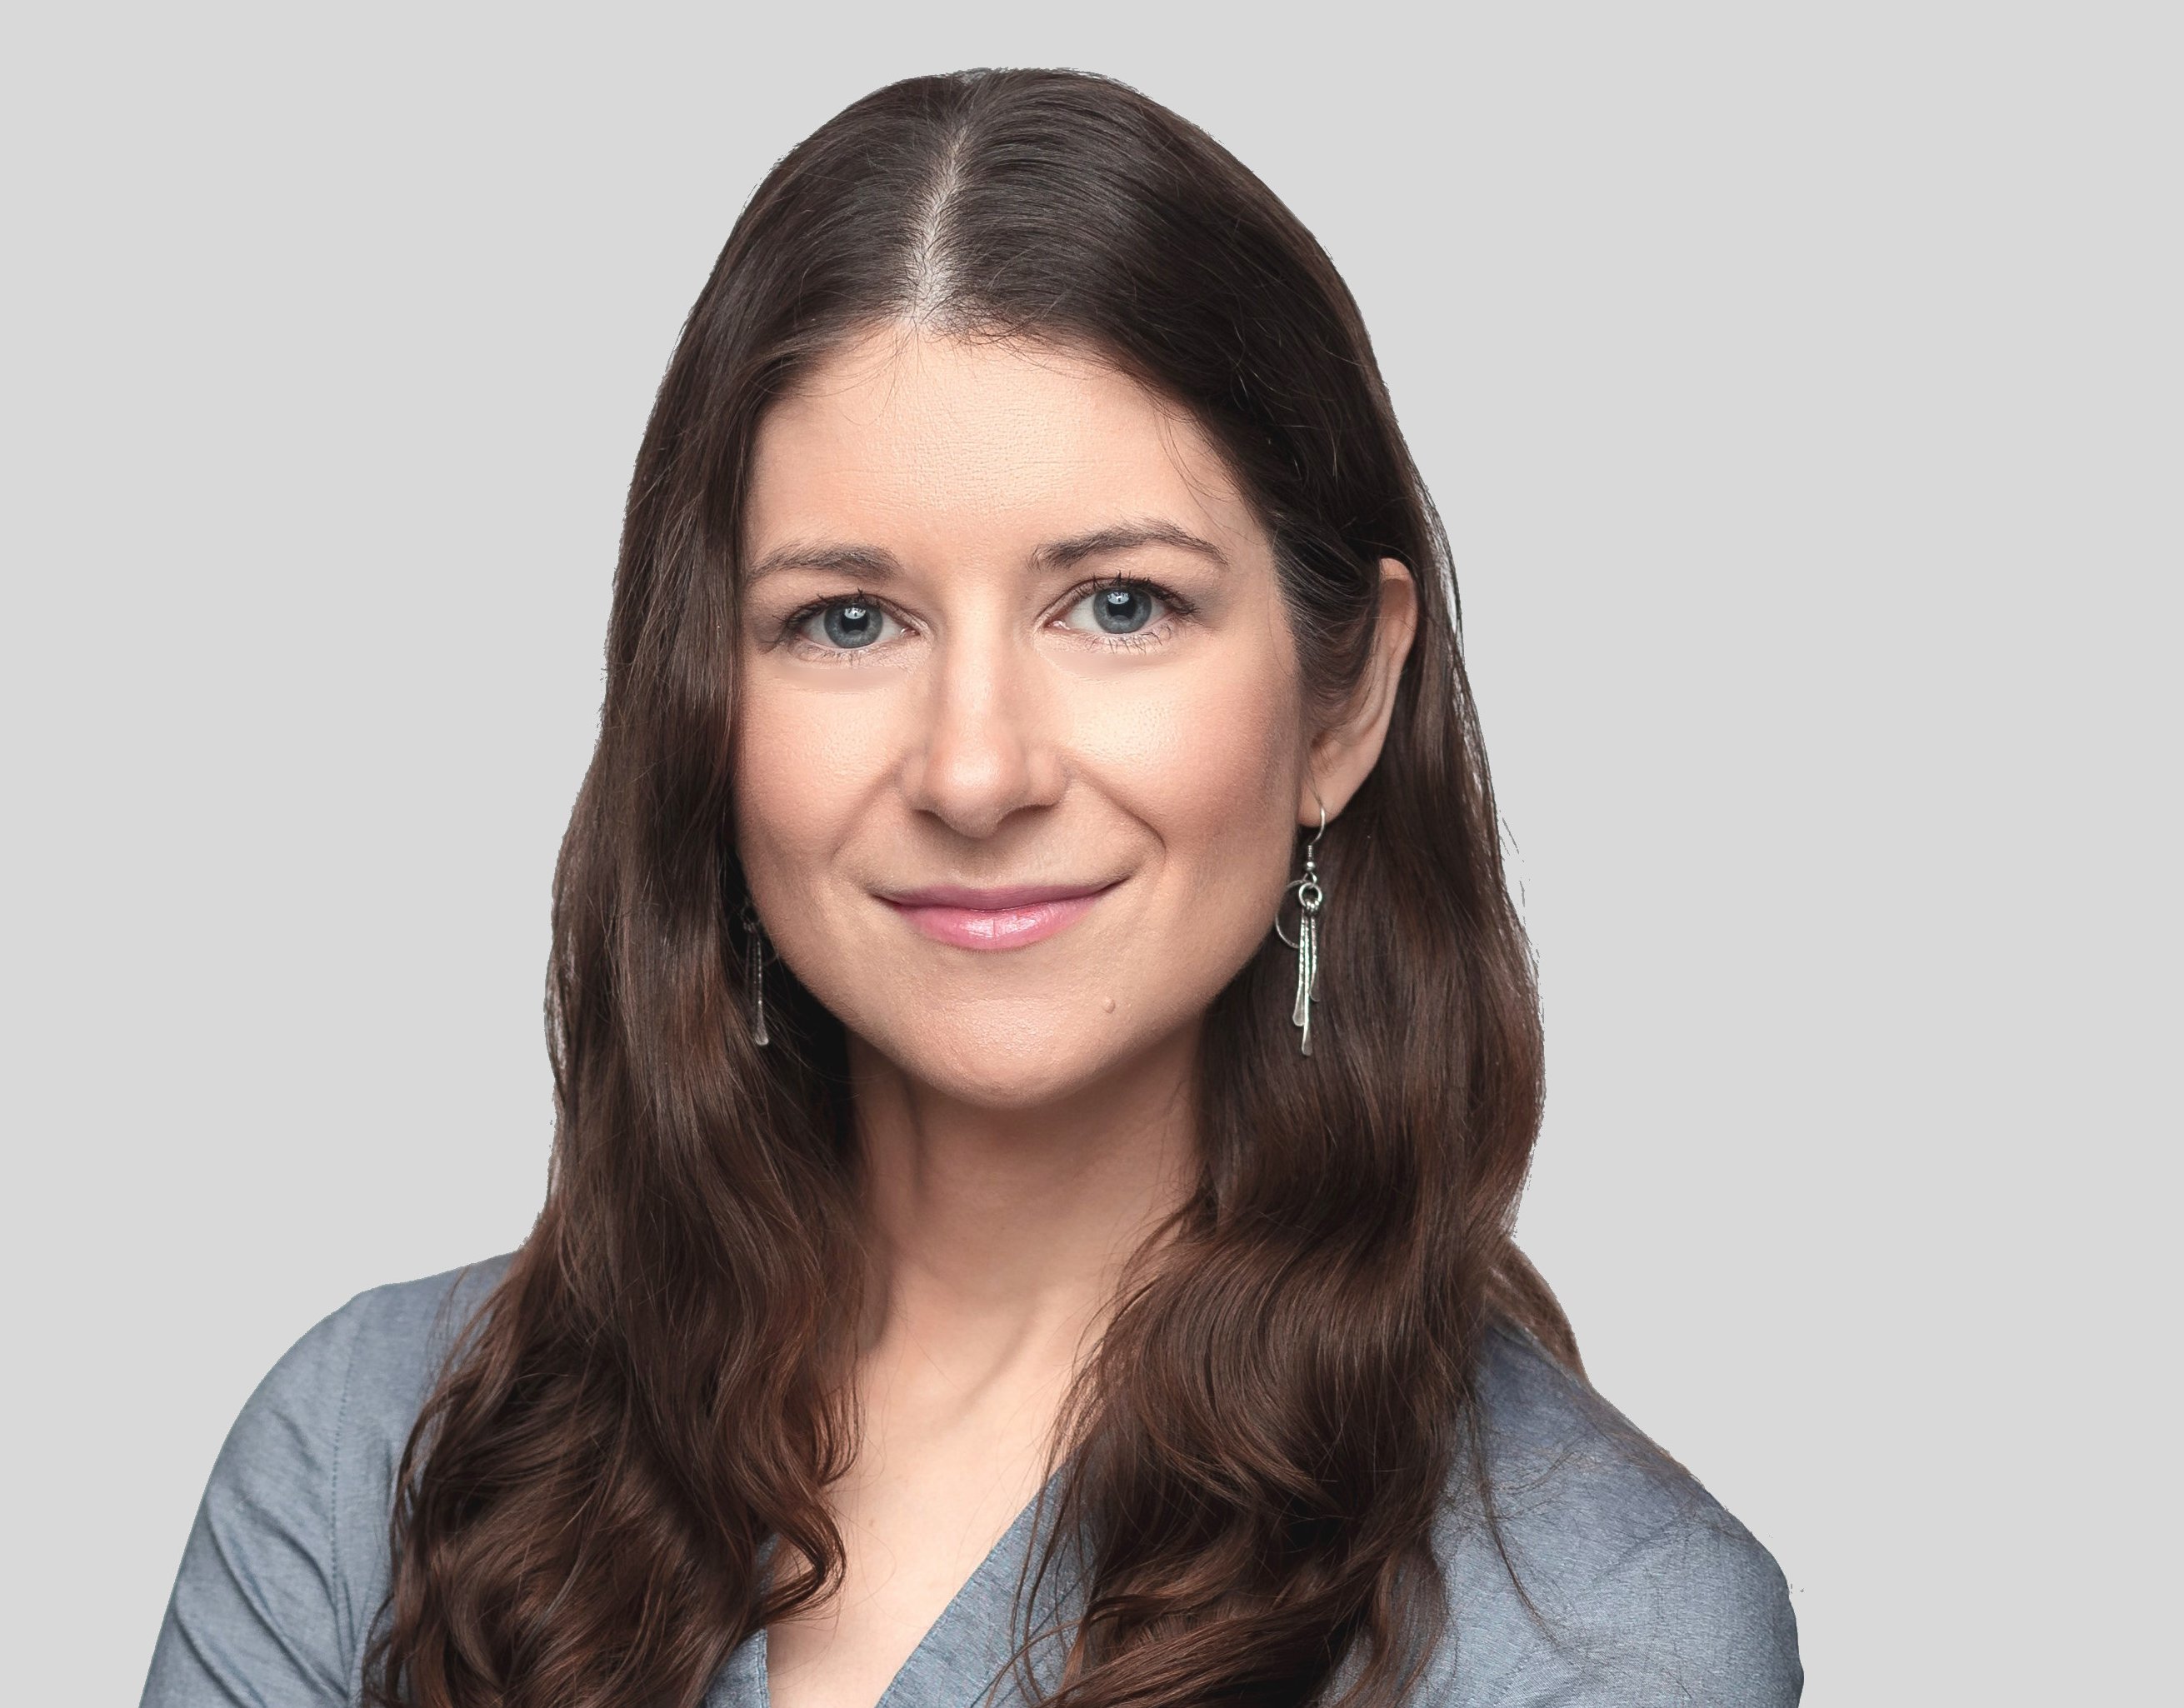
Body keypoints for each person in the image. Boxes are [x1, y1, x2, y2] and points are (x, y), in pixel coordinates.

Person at [141, 68, 1802, 1708]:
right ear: (704, 702)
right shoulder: (366, 1458)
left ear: (1344, 699)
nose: (975, 769)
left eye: (1122, 604)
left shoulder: (1603, 1636)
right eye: (848, 620)